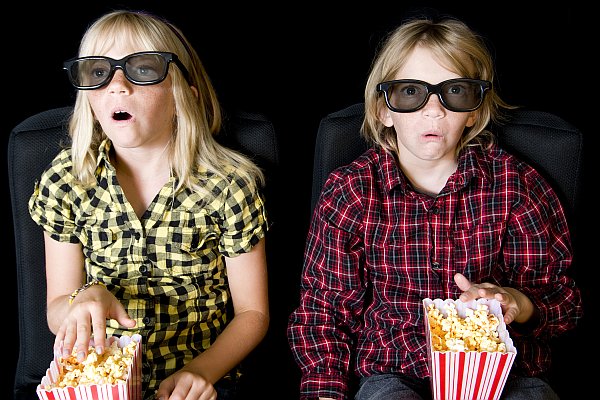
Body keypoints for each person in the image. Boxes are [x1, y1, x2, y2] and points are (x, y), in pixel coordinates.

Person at [287, 16, 583, 400]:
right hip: (393, 370)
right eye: (411, 92)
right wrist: (325, 392)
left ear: (473, 110)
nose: (433, 111)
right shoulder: (352, 192)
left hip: (503, 375)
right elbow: (324, 312)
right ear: (384, 110)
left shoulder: (517, 186)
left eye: (454, 92)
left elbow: (563, 302)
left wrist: (515, 301)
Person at [28, 10, 270, 400]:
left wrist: (201, 372)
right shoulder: (66, 181)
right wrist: (82, 300)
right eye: (98, 72)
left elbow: (253, 314)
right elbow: (57, 308)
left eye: (142, 69)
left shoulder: (228, 185)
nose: (117, 86)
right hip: (103, 376)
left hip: (196, 376)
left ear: (183, 94)